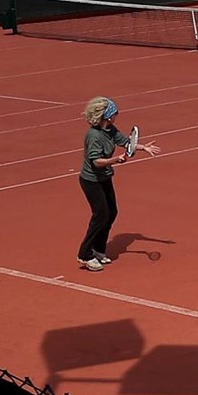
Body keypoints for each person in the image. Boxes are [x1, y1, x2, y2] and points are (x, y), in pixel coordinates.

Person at [77, 96, 159, 271]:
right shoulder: (94, 136)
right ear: (107, 116)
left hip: (105, 177)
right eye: (115, 113)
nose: (117, 115)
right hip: (91, 181)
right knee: (100, 215)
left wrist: (144, 148)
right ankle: (84, 254)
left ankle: (98, 249)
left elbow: (126, 142)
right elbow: (96, 162)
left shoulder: (110, 130)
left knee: (112, 212)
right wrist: (115, 160)